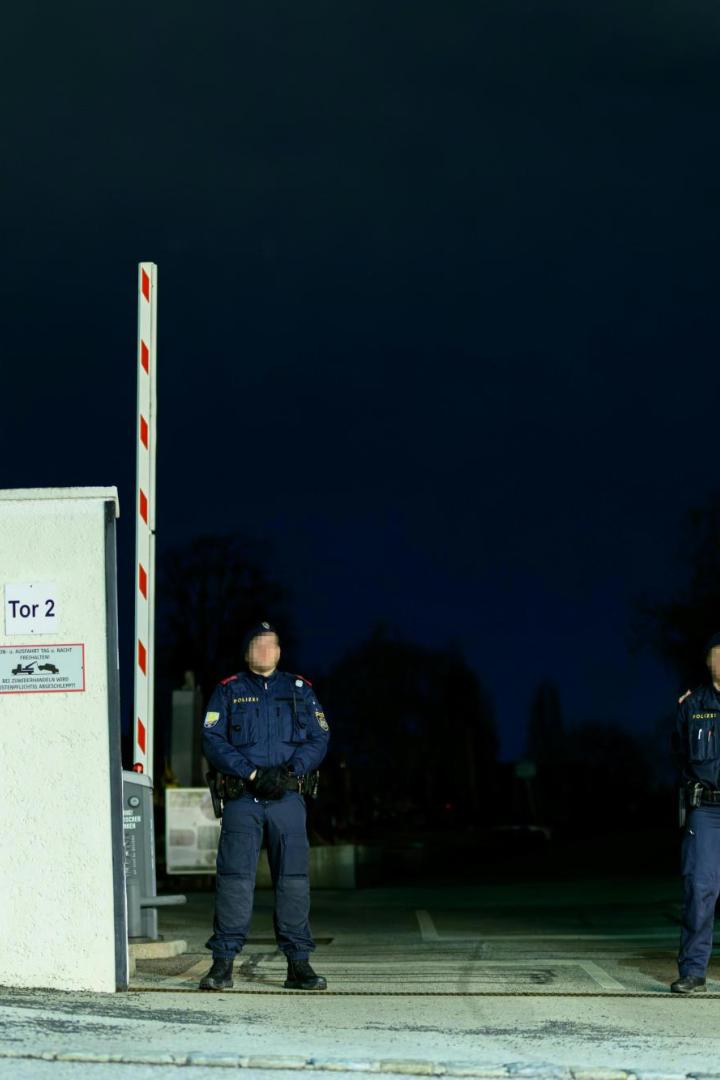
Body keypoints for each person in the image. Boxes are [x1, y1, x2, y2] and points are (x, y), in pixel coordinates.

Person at [198, 621, 330, 992]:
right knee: (234, 880)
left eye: (271, 644)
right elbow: (212, 739)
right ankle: (222, 964)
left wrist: (290, 770)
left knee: (293, 881)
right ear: (246, 653)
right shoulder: (229, 691)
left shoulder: (299, 690)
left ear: (280, 652)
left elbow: (320, 738)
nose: (265, 650)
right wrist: (251, 772)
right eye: (258, 644)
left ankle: (298, 964)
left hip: (287, 799)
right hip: (244, 798)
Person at [672, 632, 720, 994]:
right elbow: (678, 755)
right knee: (699, 888)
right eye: (718, 654)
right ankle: (692, 971)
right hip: (707, 808)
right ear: (707, 661)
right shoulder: (692, 706)